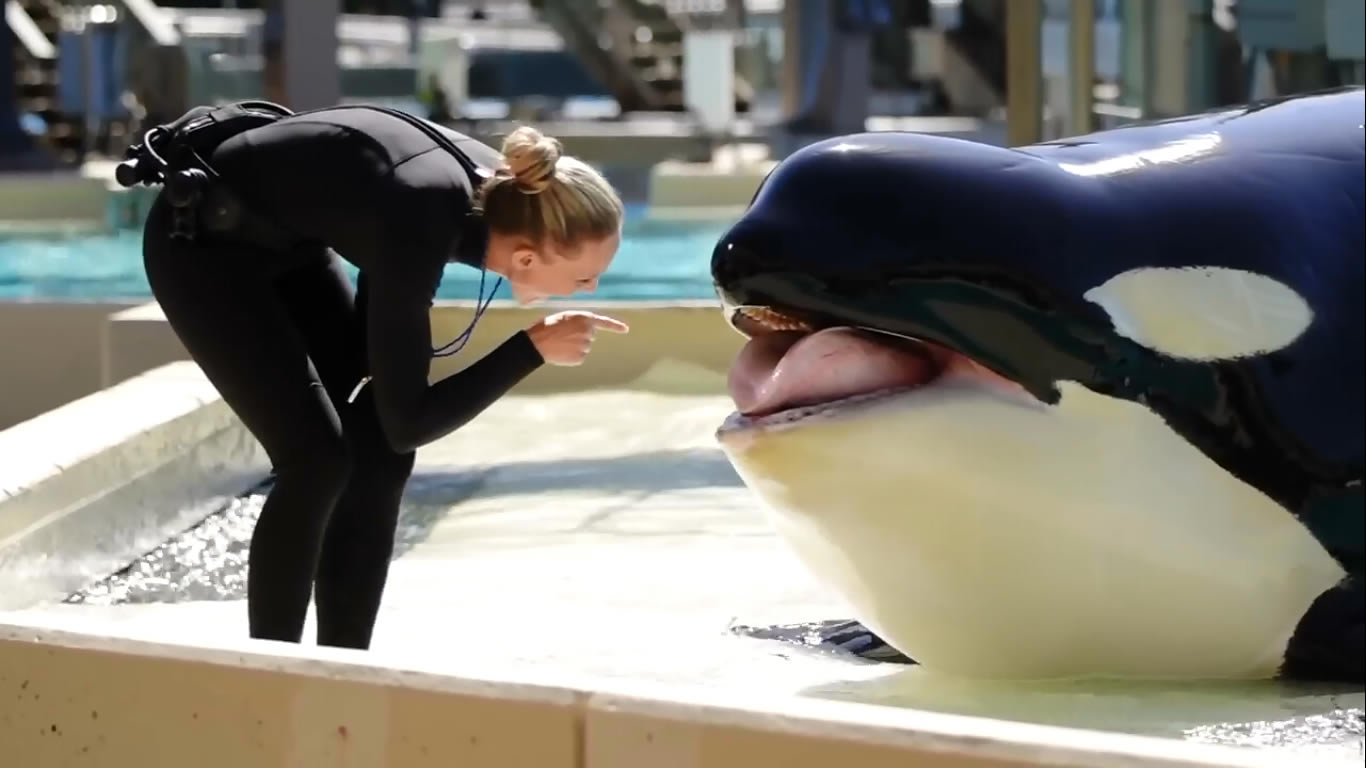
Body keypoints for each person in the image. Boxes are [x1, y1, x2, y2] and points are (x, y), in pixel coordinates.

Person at [139, 104, 629, 650]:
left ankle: (345, 665)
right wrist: (530, 349)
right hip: (203, 248)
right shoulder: (422, 214)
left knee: (378, 454)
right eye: (586, 276)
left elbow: (388, 414)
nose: (589, 289)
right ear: (527, 258)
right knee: (317, 461)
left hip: (290, 245)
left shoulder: (511, 193)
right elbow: (409, 419)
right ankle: (270, 669)